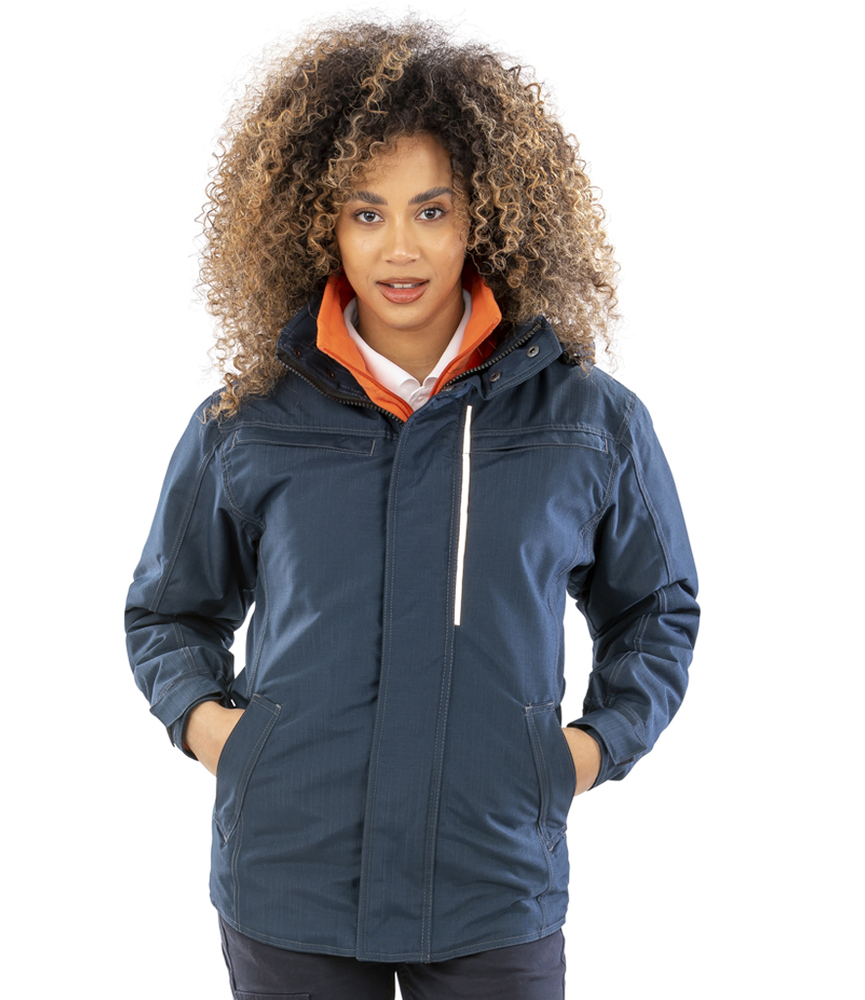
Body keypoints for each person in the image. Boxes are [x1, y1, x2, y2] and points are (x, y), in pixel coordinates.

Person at [125, 17, 699, 1000]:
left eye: (432, 210)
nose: (399, 248)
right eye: (366, 212)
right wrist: (220, 735)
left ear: (487, 216)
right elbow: (168, 611)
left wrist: (584, 752)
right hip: (289, 882)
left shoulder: (586, 418)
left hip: (493, 882)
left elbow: (655, 609)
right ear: (320, 223)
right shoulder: (249, 420)